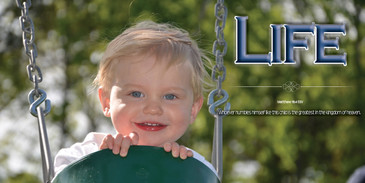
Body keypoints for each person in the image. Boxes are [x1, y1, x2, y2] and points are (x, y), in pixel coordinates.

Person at [53, 20, 215, 177]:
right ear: (107, 101)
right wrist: (100, 165)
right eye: (136, 94)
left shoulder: (196, 168)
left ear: (193, 109)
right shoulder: (81, 156)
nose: (153, 108)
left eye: (170, 96)